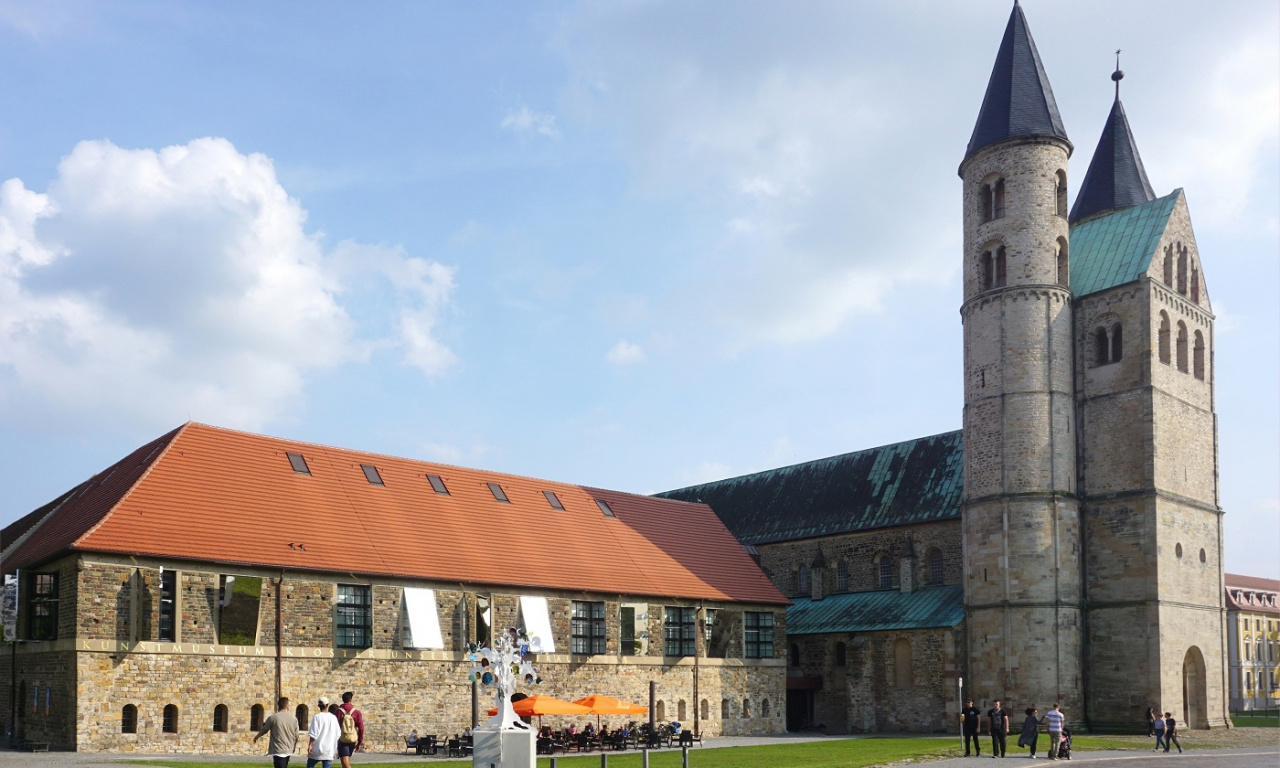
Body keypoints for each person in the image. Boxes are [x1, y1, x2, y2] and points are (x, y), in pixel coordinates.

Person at [254, 696, 300, 768]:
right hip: (288, 749)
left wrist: (257, 736)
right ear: (287, 706)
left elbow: (264, 729)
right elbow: (296, 735)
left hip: (278, 749)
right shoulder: (294, 719)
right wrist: (294, 746)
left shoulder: (273, 717)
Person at [306, 696, 341, 768]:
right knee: (326, 765)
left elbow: (313, 733)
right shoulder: (333, 718)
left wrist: (310, 744)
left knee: (310, 765)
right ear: (328, 705)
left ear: (318, 706)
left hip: (317, 746)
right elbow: (338, 733)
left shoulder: (317, 717)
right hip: (329, 747)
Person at [336, 691, 364, 768]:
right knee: (345, 762)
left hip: (342, 738)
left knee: (345, 763)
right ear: (351, 700)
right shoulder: (356, 712)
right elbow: (361, 728)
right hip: (352, 738)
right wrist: (360, 741)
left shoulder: (338, 712)